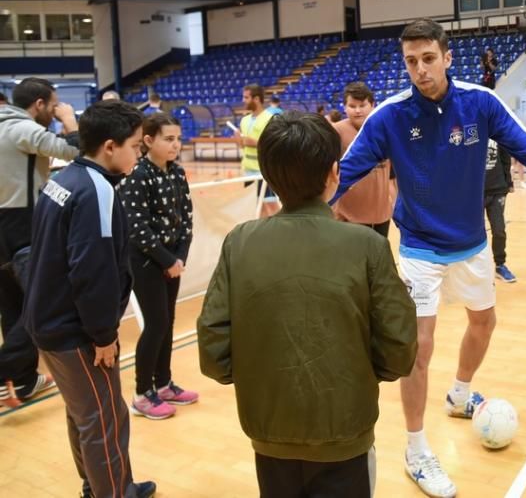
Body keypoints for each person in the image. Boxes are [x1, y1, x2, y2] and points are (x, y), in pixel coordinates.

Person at [332, 18, 526, 498]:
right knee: (418, 348)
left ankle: (459, 394)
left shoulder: (480, 103)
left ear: (447, 57)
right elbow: (344, 174)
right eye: (411, 62)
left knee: (484, 322)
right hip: (418, 248)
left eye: (428, 59)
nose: (420, 70)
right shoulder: (390, 116)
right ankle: (416, 450)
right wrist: (303, 216)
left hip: (472, 244)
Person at [198, 111, 417, 498]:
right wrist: (358, 376)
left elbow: (213, 350)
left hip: (268, 432)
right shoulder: (367, 245)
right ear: (335, 172)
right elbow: (399, 351)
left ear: (268, 174)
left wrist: (263, 381)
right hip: (345, 432)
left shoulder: (239, 241)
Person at [22, 100, 156, 498]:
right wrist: (103, 334)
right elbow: (92, 271)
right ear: (110, 146)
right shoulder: (96, 189)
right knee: (104, 419)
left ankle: (99, 486)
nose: (139, 153)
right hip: (74, 330)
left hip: (48, 322)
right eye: (136, 145)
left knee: (84, 415)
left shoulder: (64, 178)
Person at [0, 77, 79, 408]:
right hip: (23, 226)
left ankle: (23, 380)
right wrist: (71, 121)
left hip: (3, 225)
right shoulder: (23, 129)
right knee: (39, 305)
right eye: (54, 103)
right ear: (39, 105)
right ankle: (4, 370)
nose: (56, 108)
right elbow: (74, 150)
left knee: (12, 305)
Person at [119, 113, 197, 420]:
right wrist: (166, 260)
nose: (175, 144)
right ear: (148, 141)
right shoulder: (138, 175)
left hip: (172, 264)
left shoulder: (177, 173)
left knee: (167, 323)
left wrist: (180, 258)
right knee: (155, 325)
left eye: (177, 138)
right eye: (168, 138)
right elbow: (137, 228)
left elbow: (187, 219)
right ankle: (142, 393)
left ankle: (163, 384)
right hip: (146, 262)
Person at [332, 82, 394, 237]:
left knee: (378, 260)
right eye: (352, 106)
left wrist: (395, 203)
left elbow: (392, 175)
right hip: (349, 216)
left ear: (372, 104)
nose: (358, 110)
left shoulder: (386, 129)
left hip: (381, 214)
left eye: (362, 105)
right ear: (344, 107)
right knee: (352, 261)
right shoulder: (336, 132)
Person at [233, 84, 278, 217]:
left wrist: (255, 143)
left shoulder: (270, 118)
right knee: (255, 206)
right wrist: (239, 140)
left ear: (257, 99)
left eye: (246, 97)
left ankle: (282, 232)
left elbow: (273, 146)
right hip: (248, 171)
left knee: (271, 205)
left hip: (264, 172)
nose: (243, 100)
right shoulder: (244, 120)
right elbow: (242, 146)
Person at [484, 139, 516, 283]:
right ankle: (475, 270)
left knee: (499, 230)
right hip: (475, 192)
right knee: (474, 233)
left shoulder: (497, 132)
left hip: (498, 189)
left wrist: (508, 182)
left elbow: (505, 158)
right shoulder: (470, 131)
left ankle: (500, 264)